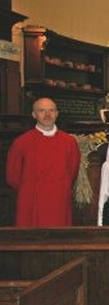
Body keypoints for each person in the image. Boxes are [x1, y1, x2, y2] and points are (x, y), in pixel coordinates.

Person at [6, 97, 81, 227]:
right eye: (42, 110)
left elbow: (72, 172)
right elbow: (12, 176)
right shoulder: (22, 142)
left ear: (57, 113)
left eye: (51, 110)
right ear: (34, 114)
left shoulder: (69, 142)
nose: (47, 115)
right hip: (31, 201)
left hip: (59, 200)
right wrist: (30, 189)